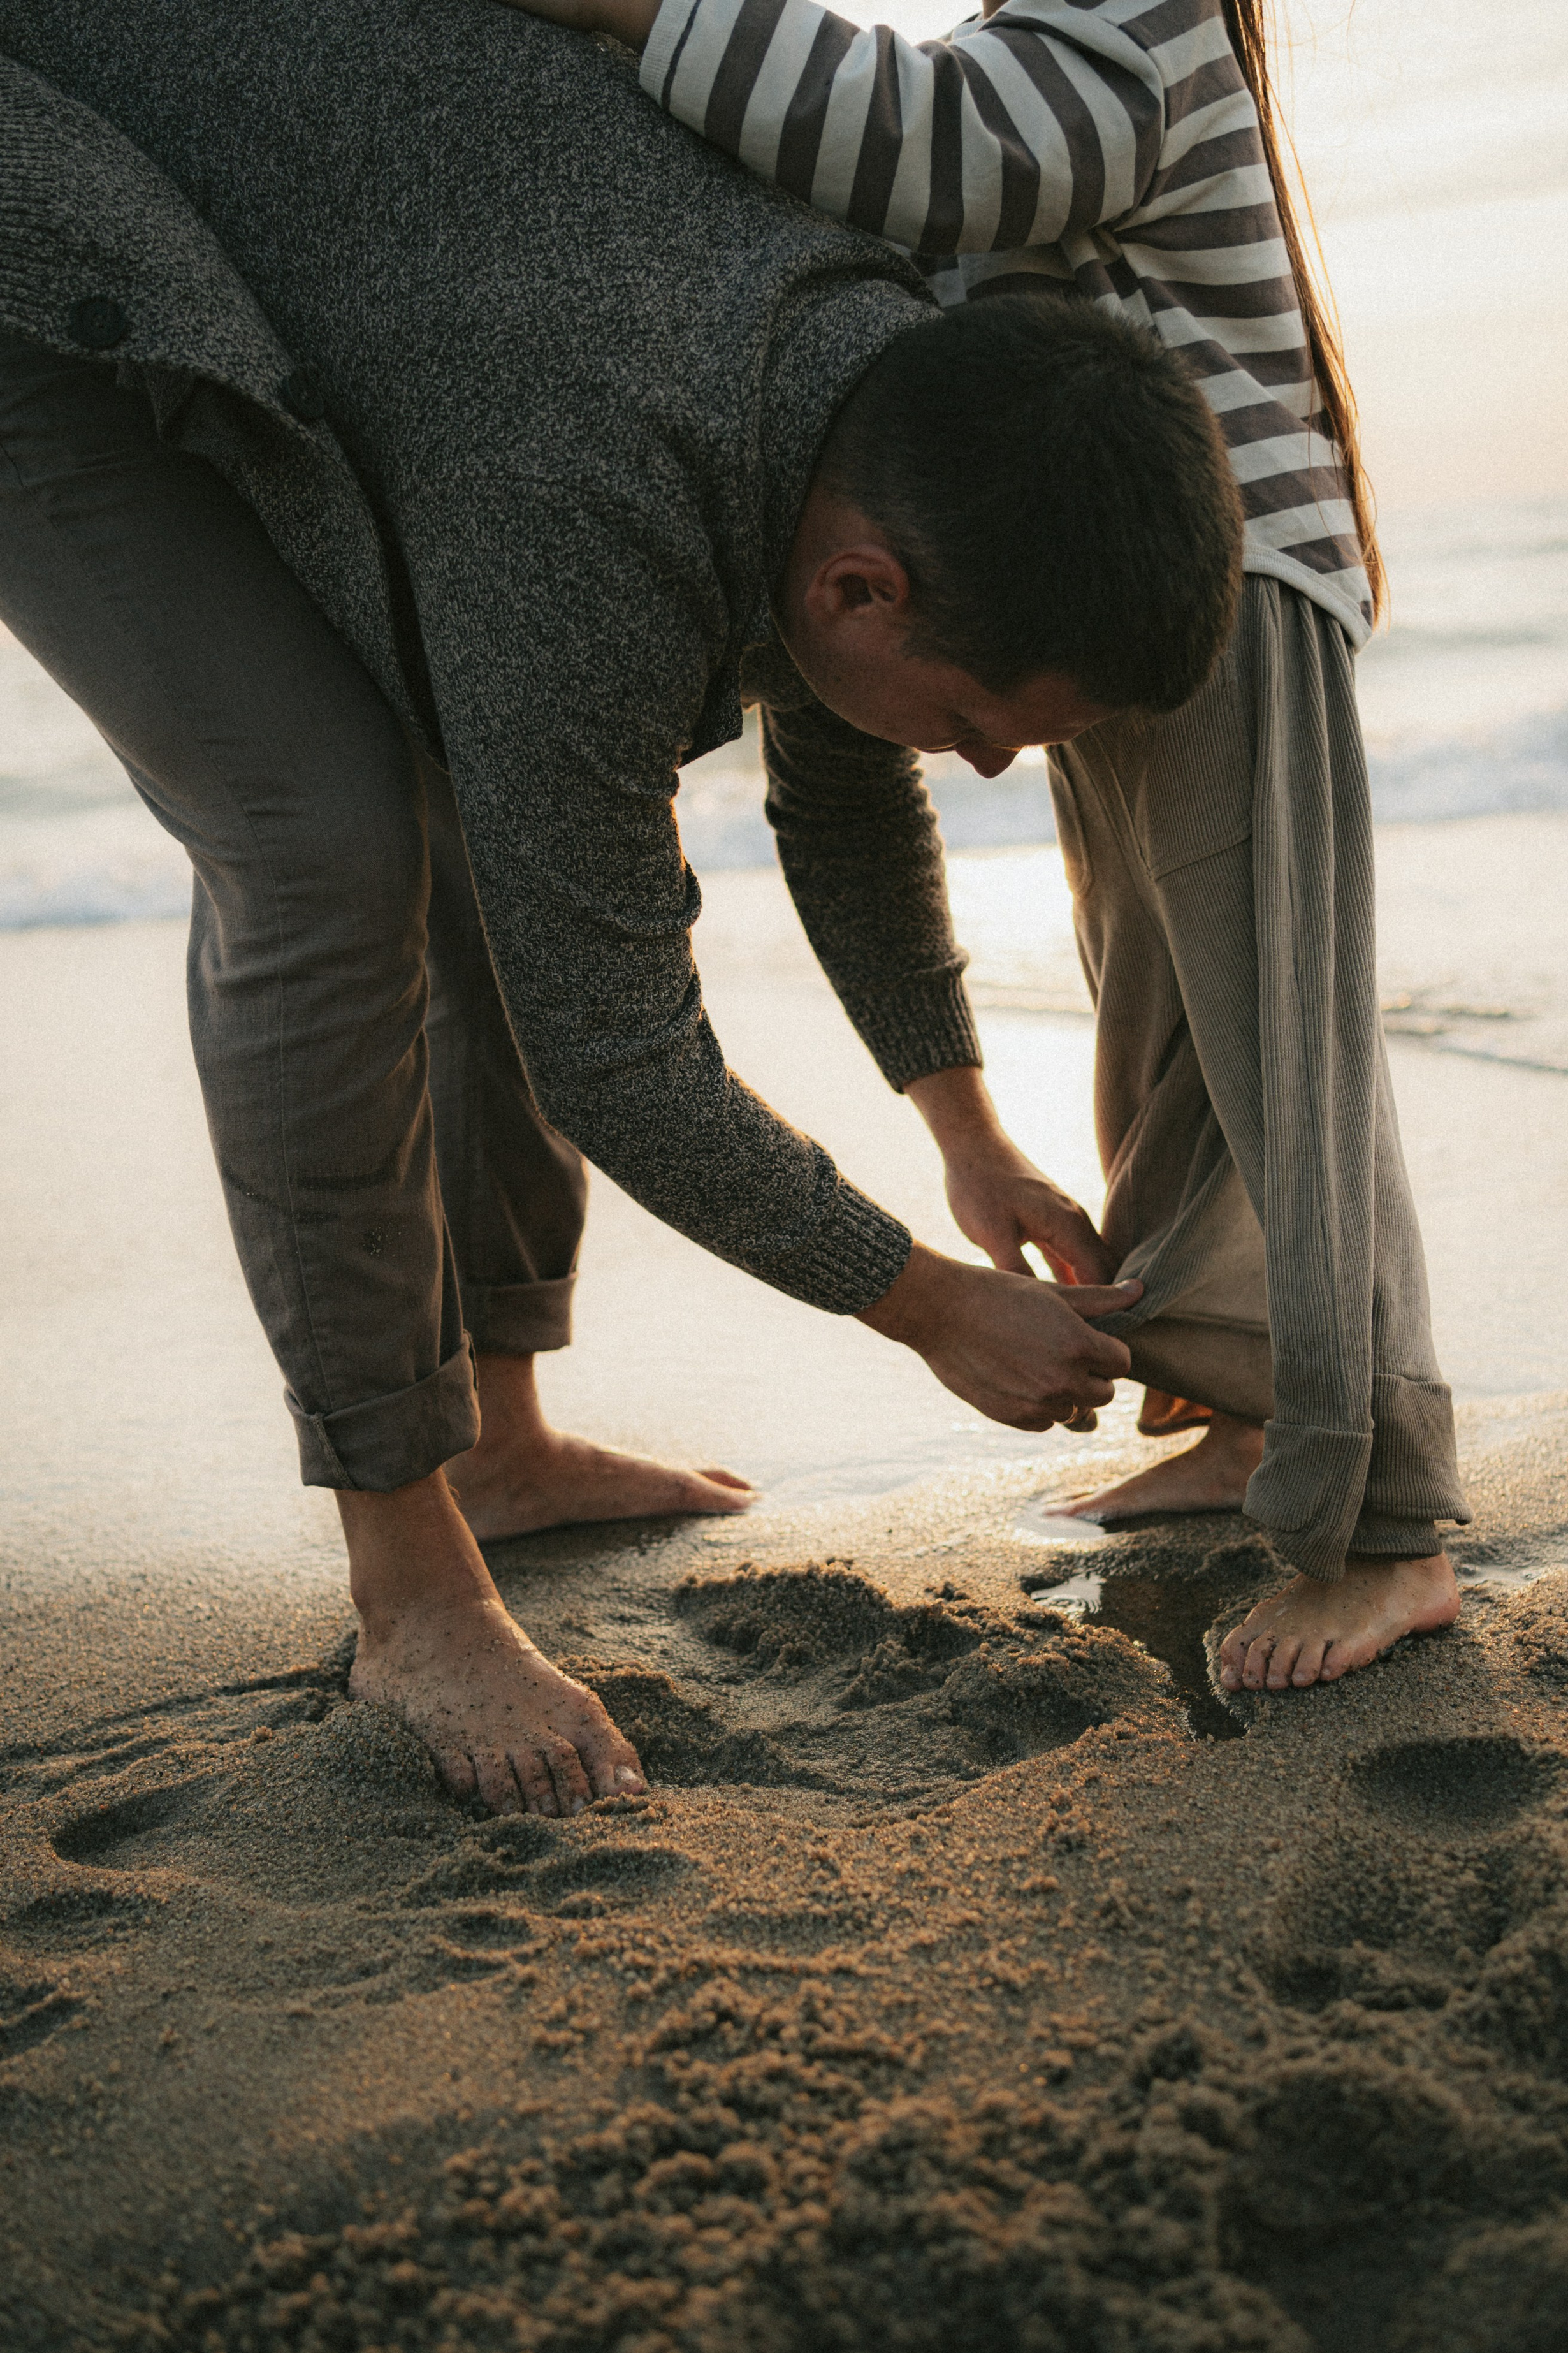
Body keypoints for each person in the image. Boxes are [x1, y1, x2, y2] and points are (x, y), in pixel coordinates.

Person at [0, 0, 1241, 1811]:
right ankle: (411, 1584)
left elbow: (847, 781)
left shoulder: (880, 392)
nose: (981, 770)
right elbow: (613, 1046)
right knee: (329, 840)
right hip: (48, 238)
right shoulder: (582, 498)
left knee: (482, 789)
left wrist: (966, 1139)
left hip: (364, 243)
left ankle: (500, 1447)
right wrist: (919, 1303)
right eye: (988, 728)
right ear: (860, 589)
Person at [493, 0, 1474, 1696]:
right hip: (1081, 591)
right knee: (1160, 1041)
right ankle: (1248, 1416)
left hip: (1216, 573)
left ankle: (1390, 1527)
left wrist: (650, 17)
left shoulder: (1134, 22)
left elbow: (943, 144)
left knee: (1276, 1051)